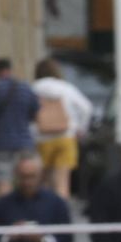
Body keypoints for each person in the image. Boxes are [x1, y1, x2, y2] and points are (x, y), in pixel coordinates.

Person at [30, 57, 93, 199]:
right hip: (66, 137)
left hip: (42, 139)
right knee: (62, 181)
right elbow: (86, 107)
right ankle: (60, 215)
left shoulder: (34, 88)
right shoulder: (66, 88)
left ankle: (44, 213)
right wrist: (80, 129)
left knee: (43, 181)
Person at [0, 57, 40, 195]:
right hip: (24, 142)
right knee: (28, 179)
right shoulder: (25, 88)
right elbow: (36, 112)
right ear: (10, 69)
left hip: (2, 144)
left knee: (4, 180)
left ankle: (4, 215)